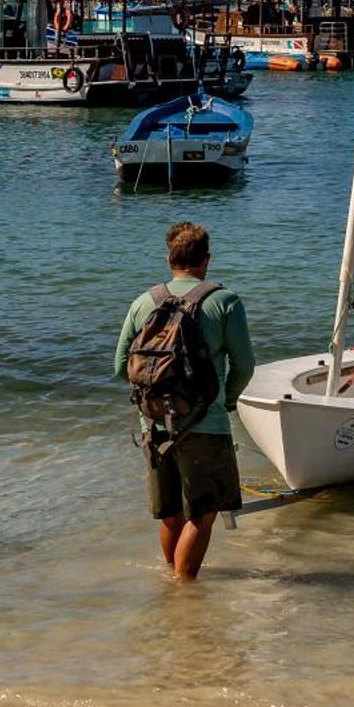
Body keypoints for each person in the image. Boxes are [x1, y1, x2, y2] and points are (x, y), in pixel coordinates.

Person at [114, 221, 255, 582]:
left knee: (171, 513)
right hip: (205, 424)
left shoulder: (143, 302)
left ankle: (173, 590)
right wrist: (227, 401)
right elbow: (244, 365)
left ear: (169, 258)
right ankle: (182, 590)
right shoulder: (225, 301)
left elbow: (120, 368)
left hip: (155, 427)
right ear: (206, 259)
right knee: (203, 515)